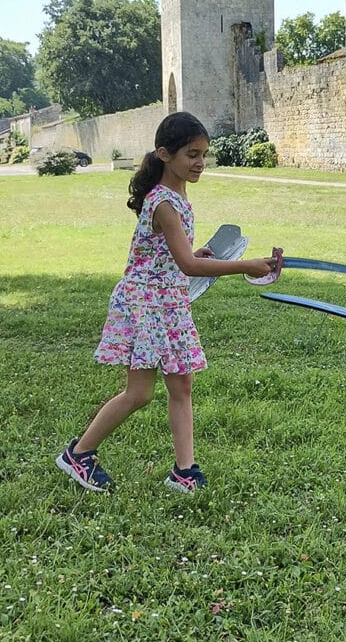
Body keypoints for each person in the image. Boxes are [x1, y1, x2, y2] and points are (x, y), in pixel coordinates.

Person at [56, 112, 274, 494]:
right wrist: (247, 265)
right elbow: (189, 265)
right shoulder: (163, 203)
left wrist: (196, 251)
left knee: (182, 384)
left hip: (168, 300)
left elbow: (179, 255)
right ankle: (79, 453)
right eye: (191, 154)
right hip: (148, 304)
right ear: (164, 154)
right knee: (139, 393)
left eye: (204, 154)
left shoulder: (176, 196)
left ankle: (184, 471)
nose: (200, 163)